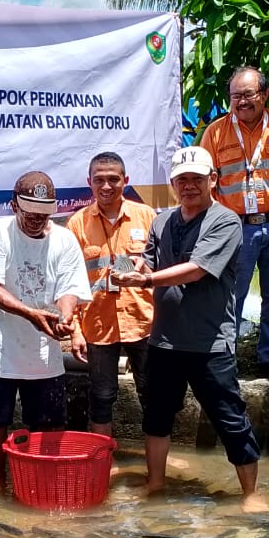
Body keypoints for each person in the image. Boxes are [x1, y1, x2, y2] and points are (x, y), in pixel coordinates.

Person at [112, 146, 265, 510]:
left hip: (209, 342)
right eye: (183, 180)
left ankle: (252, 495)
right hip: (164, 341)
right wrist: (137, 266)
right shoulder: (161, 221)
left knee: (230, 419)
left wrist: (144, 282)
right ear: (173, 184)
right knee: (156, 416)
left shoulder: (225, 221)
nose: (190, 186)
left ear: (213, 180)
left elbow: (197, 269)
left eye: (197, 178)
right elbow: (149, 262)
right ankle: (155, 484)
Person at [0, 171, 90, 487]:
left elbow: (71, 287)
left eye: (43, 215)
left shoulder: (64, 239)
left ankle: (45, 483)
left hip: (42, 347)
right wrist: (30, 313)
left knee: (49, 423)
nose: (36, 221)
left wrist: (66, 316)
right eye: (29, 214)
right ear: (14, 205)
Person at [200, 66, 269, 383]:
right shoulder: (215, 133)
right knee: (231, 297)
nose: (242, 101)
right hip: (235, 228)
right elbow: (208, 185)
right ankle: (224, 359)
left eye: (248, 94)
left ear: (265, 94)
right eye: (236, 96)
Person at [66, 152, 156, 438]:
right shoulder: (76, 224)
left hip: (144, 323)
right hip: (97, 325)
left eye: (113, 179)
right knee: (102, 397)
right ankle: (101, 464)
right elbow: (69, 282)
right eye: (99, 180)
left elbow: (162, 269)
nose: (106, 186)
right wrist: (75, 332)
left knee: (153, 395)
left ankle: (156, 462)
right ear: (89, 183)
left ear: (125, 181)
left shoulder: (148, 217)